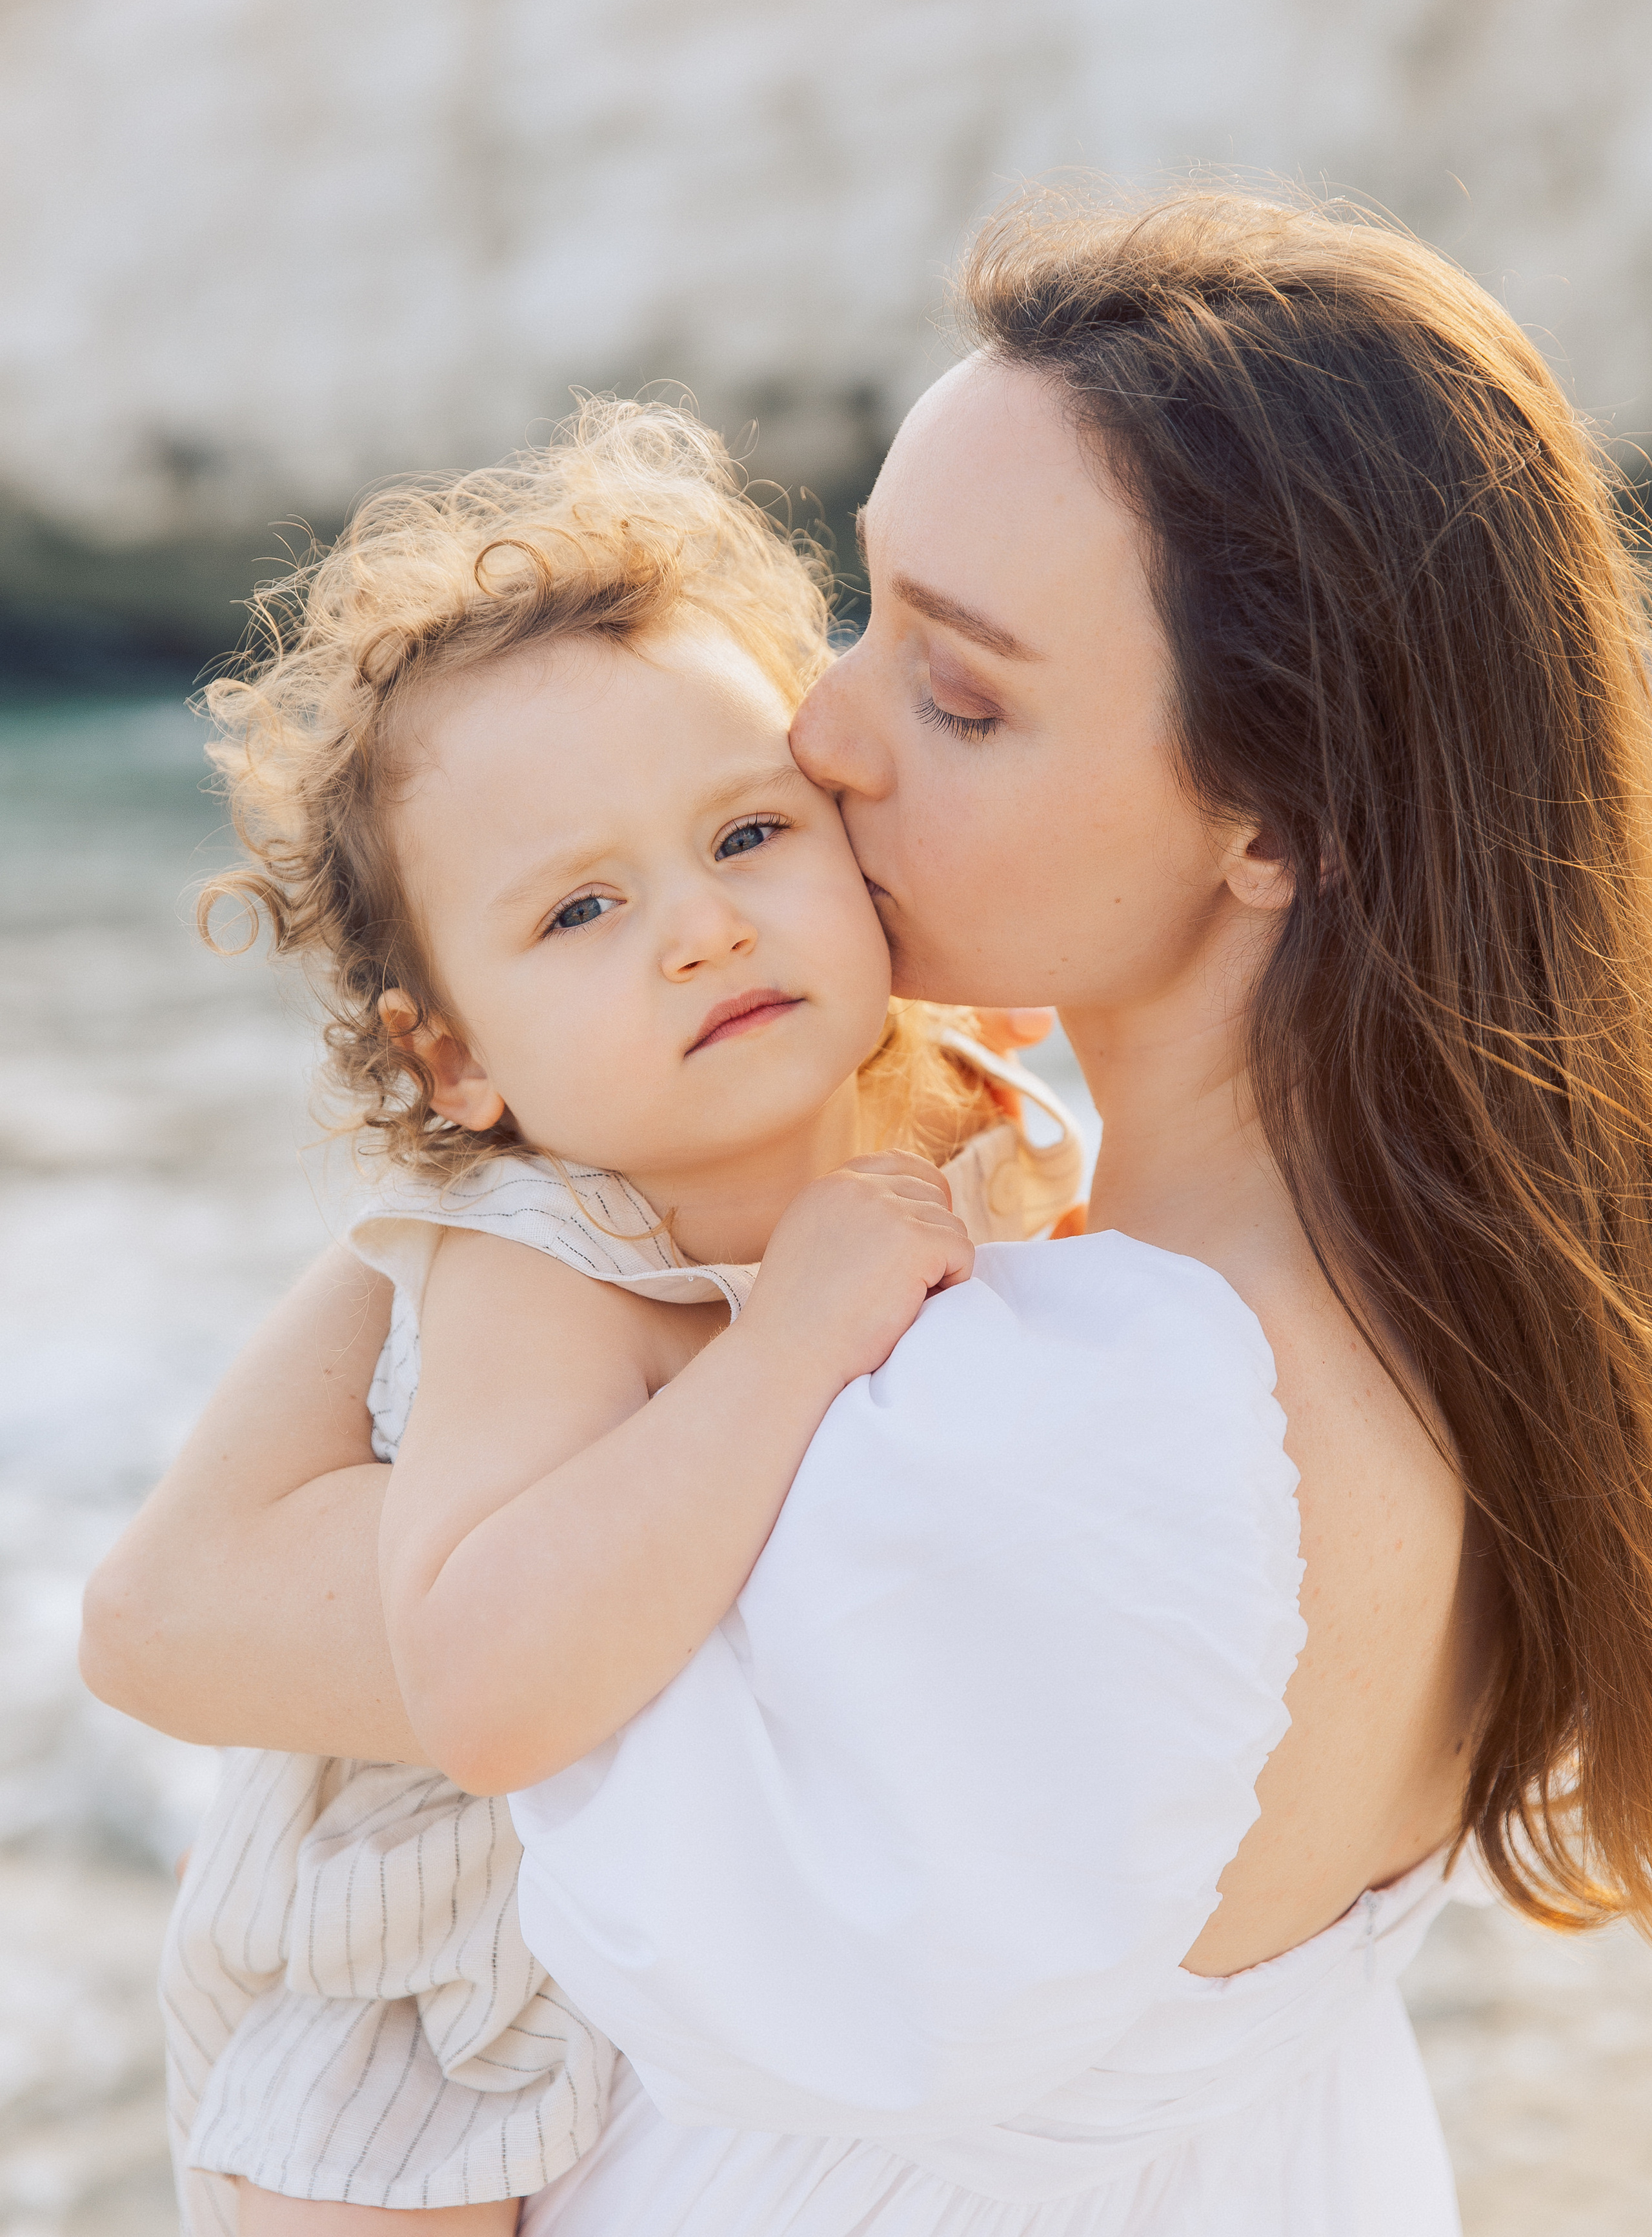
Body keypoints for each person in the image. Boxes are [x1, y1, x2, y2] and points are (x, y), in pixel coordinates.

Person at [83, 185, 1652, 2234]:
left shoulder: (1066, 1432)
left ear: (1283, 821)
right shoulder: (1442, 1293)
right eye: (866, 615)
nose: (820, 734)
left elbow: (173, 1613)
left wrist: (512, 1150)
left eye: (963, 694)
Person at [117, 397, 1084, 2236]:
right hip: (418, 1995)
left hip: (681, 1940)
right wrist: (792, 1343)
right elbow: (489, 1689)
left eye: (747, 832)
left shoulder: (932, 1098)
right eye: (580, 908)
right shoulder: (545, 1260)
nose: (704, 931)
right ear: (456, 1058)